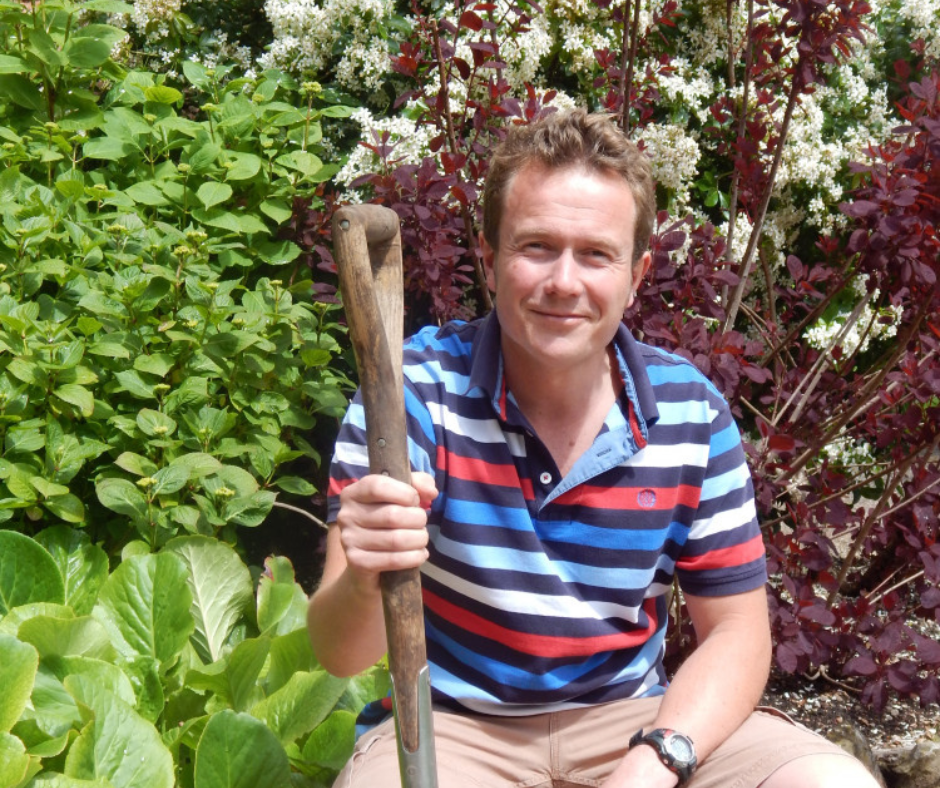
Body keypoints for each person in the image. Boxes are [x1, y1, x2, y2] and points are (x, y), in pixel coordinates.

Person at [308, 109, 880, 788]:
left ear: (636, 275)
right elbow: (341, 652)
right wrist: (371, 571)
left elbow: (737, 633)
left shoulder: (690, 414)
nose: (564, 282)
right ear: (490, 262)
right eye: (537, 247)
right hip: (455, 725)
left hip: (632, 719)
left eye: (596, 254)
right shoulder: (408, 398)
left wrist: (657, 759)